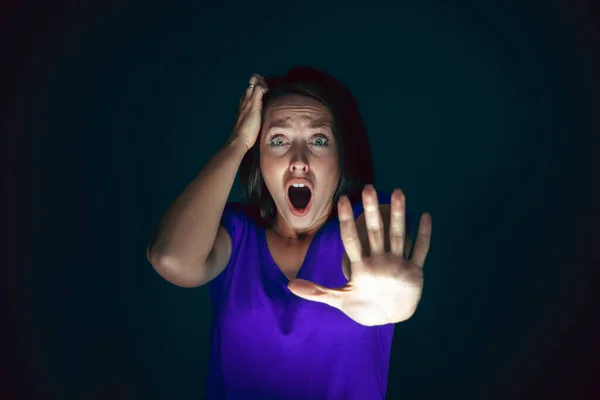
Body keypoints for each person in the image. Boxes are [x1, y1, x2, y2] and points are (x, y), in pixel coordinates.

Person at [146, 67, 432, 400]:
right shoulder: (234, 234)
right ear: (259, 158)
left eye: (319, 140)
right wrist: (237, 142)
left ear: (341, 157)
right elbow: (170, 258)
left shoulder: (366, 218)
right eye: (278, 140)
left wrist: (387, 291)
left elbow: (379, 252)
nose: (298, 160)